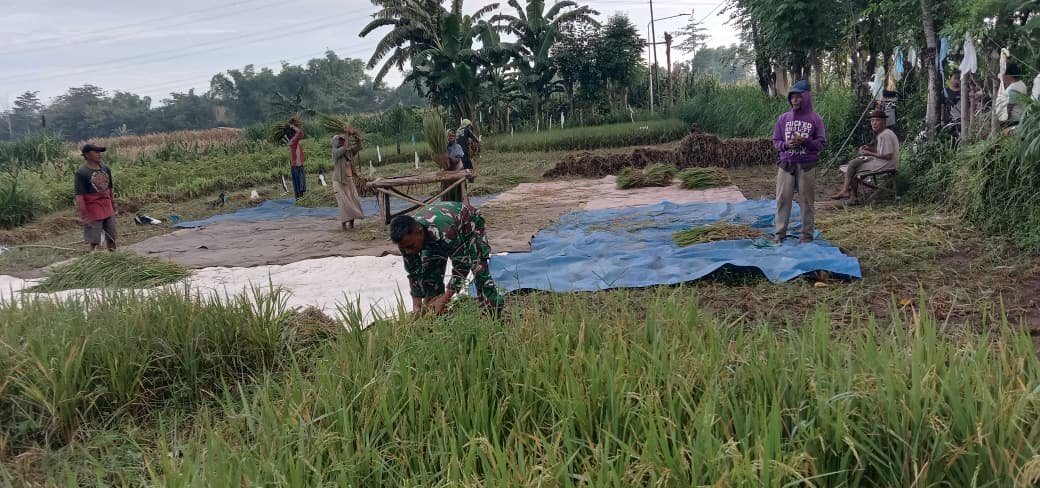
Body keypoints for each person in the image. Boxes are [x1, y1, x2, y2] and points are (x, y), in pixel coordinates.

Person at [389, 202, 504, 319]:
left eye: (410, 246)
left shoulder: (446, 232)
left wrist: (445, 298)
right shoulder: (405, 241)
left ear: (419, 232)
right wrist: (416, 303)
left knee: (479, 268)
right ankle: (436, 315)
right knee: (430, 274)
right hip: (434, 234)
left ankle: (493, 313)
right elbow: (414, 272)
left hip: (468, 223)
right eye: (404, 248)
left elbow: (462, 266)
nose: (408, 251)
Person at [772, 79, 826, 245]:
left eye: (798, 97)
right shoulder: (783, 119)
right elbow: (776, 141)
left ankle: (807, 235)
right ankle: (779, 234)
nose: (795, 100)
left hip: (806, 165)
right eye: (792, 97)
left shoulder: (815, 119)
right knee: (782, 199)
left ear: (806, 98)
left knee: (807, 201)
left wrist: (805, 141)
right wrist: (786, 145)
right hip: (787, 165)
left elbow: (821, 143)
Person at [831, 110, 899, 201]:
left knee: (853, 167)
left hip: (886, 164)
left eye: (877, 120)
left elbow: (888, 156)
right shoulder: (885, 133)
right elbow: (881, 152)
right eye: (872, 121)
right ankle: (850, 195)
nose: (874, 123)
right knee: (854, 163)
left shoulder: (885, 135)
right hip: (883, 161)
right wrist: (870, 149)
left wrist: (869, 153)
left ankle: (848, 194)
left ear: (884, 122)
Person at [74, 144, 117, 251]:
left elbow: (110, 189)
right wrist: (84, 215)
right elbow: (80, 196)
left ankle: (114, 258)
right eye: (96, 152)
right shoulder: (82, 173)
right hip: (93, 211)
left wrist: (113, 205)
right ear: (87, 155)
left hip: (107, 209)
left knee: (112, 238)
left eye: (100, 152)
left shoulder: (106, 169)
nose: (99, 154)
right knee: (95, 241)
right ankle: (96, 260)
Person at [332, 131, 364, 230]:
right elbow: (343, 149)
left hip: (349, 180)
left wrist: (356, 136)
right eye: (339, 140)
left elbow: (359, 147)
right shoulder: (335, 151)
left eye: (342, 140)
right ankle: (344, 224)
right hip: (339, 181)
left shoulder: (349, 152)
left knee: (353, 201)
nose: (341, 142)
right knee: (344, 203)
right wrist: (347, 135)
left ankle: (351, 223)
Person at [996, 63, 1027, 128]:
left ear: (1009, 75)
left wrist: (1005, 124)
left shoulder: (1012, 88)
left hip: (1013, 121)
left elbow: (1009, 108)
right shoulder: (1022, 84)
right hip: (1020, 118)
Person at [442, 129, 465, 202]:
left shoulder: (457, 147)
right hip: (446, 175)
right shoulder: (442, 148)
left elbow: (456, 160)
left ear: (455, 137)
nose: (451, 137)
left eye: (453, 136)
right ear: (446, 137)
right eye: (449, 135)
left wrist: (448, 157)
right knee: (447, 196)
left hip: (456, 174)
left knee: (457, 195)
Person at [286, 117, 306, 200]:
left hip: (297, 163)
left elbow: (300, 133)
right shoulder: (292, 141)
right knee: (298, 181)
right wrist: (293, 126)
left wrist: (292, 126)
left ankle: (299, 197)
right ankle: (299, 197)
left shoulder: (293, 142)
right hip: (296, 164)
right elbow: (300, 133)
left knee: (298, 181)